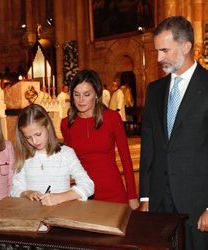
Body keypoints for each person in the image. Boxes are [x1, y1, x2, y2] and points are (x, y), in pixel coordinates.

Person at [139, 16, 208, 250]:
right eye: (157, 51)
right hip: (159, 202)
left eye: (164, 50)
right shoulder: (154, 90)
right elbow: (149, 148)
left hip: (197, 203)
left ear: (186, 47)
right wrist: (146, 197)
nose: (158, 58)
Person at [61, 69, 138, 208]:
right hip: (85, 195)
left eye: (86, 94)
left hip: (114, 192)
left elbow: (126, 159)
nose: (81, 100)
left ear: (96, 94)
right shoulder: (66, 124)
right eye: (76, 94)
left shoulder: (112, 118)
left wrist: (132, 195)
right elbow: (68, 164)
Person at [11, 104, 94, 206]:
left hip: (61, 217)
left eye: (38, 134)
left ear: (48, 127)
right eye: (28, 137)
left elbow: (88, 185)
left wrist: (60, 197)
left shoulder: (66, 154)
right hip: (33, 218)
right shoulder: (24, 157)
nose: (34, 141)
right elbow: (15, 189)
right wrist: (26, 193)